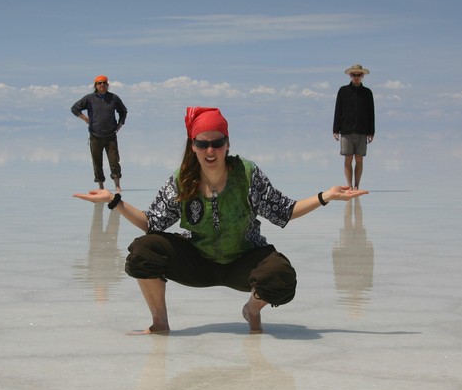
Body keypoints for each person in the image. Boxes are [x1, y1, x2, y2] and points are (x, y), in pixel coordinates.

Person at [73, 106, 368, 335]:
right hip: (197, 262)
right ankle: (160, 323)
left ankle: (251, 311)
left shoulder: (247, 174)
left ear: (228, 144)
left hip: (243, 261)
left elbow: (284, 211)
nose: (210, 150)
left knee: (280, 277)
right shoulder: (182, 179)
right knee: (143, 251)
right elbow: (153, 223)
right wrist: (115, 201)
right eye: (203, 144)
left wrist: (324, 196)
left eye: (217, 143)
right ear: (193, 146)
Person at [71, 75, 128, 192]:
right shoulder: (89, 98)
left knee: (114, 161)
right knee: (97, 162)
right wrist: (85, 119)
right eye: (99, 83)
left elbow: (123, 111)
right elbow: (75, 108)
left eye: (104, 83)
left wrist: (120, 124)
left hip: (111, 136)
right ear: (95, 86)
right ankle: (101, 187)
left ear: (107, 85)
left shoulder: (113, 98)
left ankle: (117, 185)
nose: (102, 85)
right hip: (95, 136)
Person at [333, 63, 375, 189]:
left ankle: (357, 185)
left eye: (358, 75)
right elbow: (338, 110)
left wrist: (371, 131)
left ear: (362, 76)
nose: (356, 77)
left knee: (359, 159)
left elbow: (371, 113)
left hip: (362, 131)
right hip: (346, 131)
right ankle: (349, 186)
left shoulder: (367, 93)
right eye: (354, 75)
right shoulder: (343, 91)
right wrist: (335, 129)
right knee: (348, 159)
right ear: (350, 75)